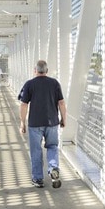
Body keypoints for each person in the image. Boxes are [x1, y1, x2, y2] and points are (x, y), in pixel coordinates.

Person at [19, 60, 66, 188]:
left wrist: (22, 123)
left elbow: (23, 105)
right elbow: (61, 103)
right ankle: (53, 168)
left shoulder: (29, 84)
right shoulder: (54, 83)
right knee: (52, 146)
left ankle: (38, 179)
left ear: (35, 70)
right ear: (47, 71)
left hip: (35, 123)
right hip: (52, 123)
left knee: (36, 151)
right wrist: (63, 119)